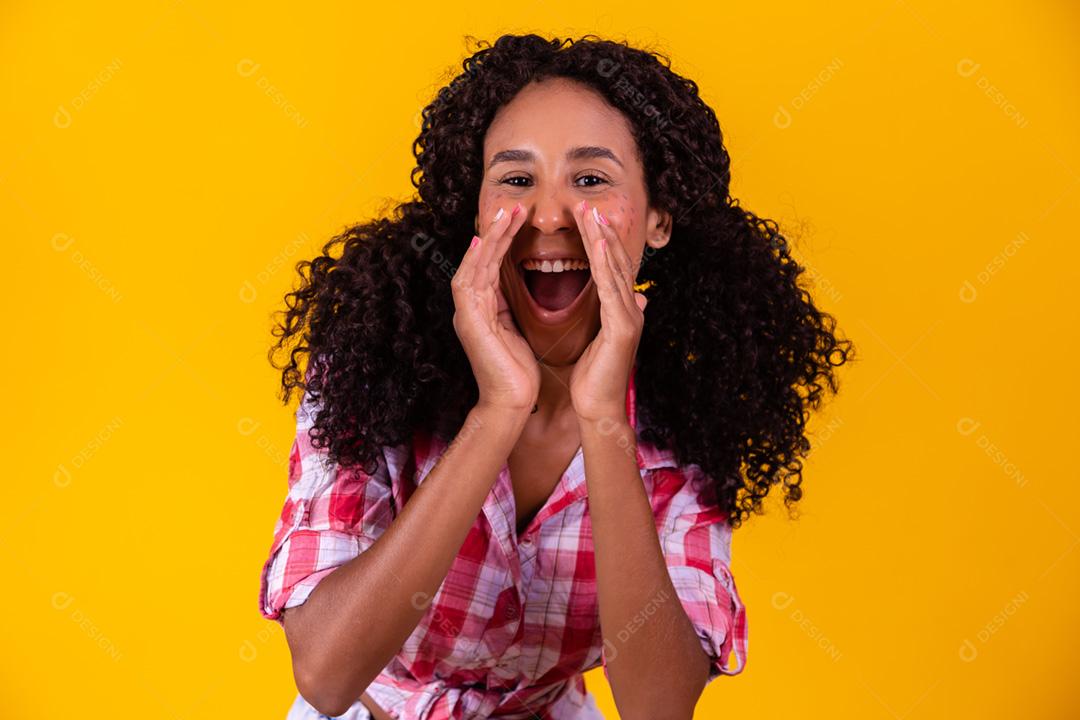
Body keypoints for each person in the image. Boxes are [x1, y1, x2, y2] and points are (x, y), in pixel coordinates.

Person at [258, 33, 854, 719]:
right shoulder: (373, 364)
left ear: (658, 218)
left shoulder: (692, 410)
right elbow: (327, 675)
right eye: (516, 180)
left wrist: (604, 421)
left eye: (591, 180)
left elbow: (658, 710)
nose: (548, 216)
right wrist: (496, 413)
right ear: (476, 212)